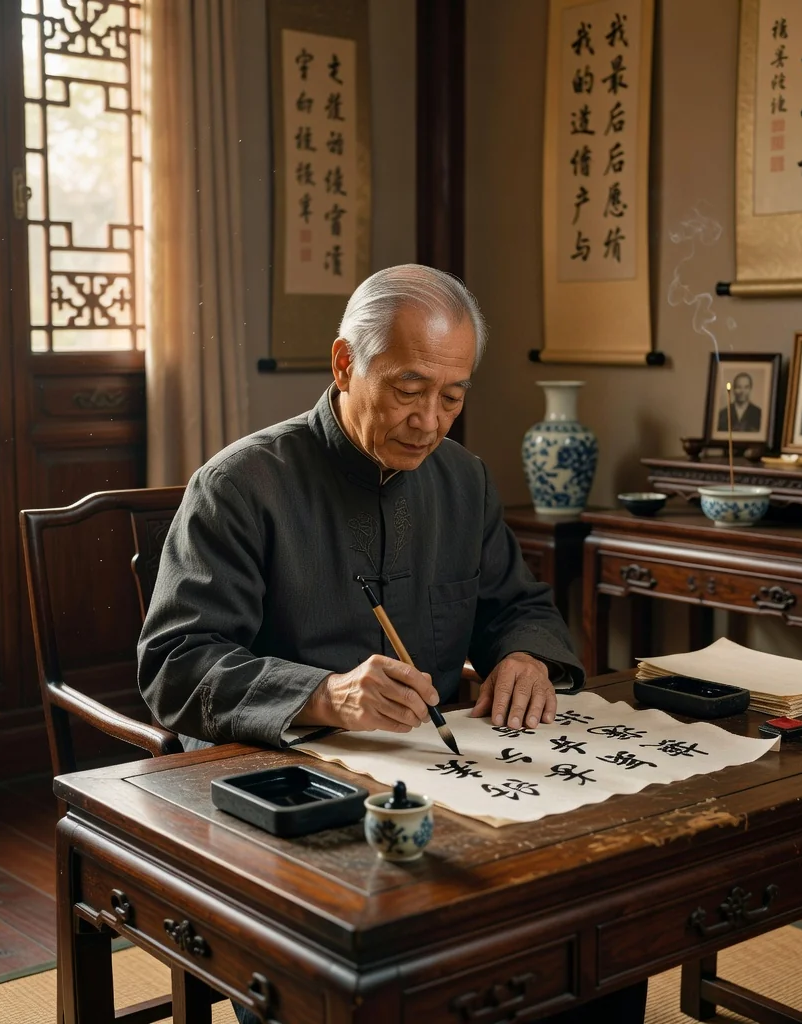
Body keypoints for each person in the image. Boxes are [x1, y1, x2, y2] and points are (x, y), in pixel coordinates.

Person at [138, 264, 648, 1024]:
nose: (430, 421)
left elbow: (519, 606)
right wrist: (323, 695)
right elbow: (176, 665)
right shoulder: (241, 486)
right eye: (410, 389)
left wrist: (525, 657)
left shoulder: (464, 482)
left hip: (434, 781)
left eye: (453, 396)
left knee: (600, 911)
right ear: (345, 363)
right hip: (290, 793)